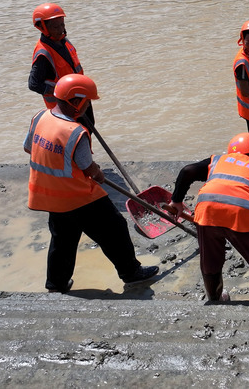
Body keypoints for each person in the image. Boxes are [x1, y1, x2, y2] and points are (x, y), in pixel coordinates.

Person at [23, 73, 158, 293]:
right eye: (87, 102)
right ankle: (131, 273)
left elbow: (29, 147)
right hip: (77, 197)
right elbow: (87, 167)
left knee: (63, 239)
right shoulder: (75, 132)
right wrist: (98, 175)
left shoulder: (40, 117)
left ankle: (56, 284)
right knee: (115, 229)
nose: (88, 107)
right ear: (76, 102)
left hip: (50, 195)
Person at [164, 133, 249, 302]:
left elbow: (187, 171)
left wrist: (176, 201)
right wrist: (247, 241)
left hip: (206, 211)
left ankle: (215, 297)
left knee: (210, 260)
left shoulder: (216, 161)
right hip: (243, 215)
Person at [28, 3, 94, 127]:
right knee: (74, 137)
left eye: (62, 24)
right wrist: (62, 92)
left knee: (88, 130)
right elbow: (34, 84)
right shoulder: (43, 54)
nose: (60, 29)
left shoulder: (63, 41)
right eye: (55, 27)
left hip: (81, 100)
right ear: (43, 27)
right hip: (65, 108)